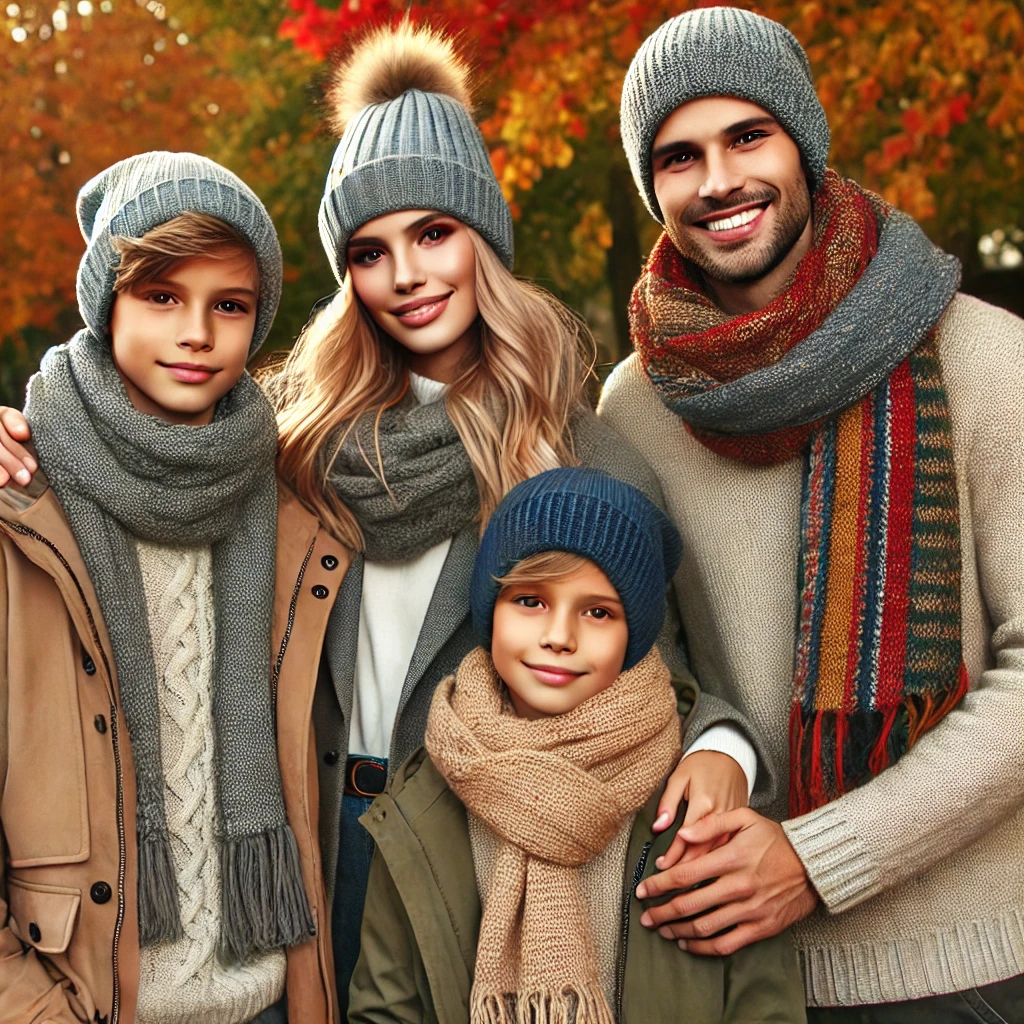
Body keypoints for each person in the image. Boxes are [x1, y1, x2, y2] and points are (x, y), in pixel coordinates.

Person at [267, 21, 769, 1012]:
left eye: (433, 234)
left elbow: (669, 676)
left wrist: (724, 750)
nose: (406, 276)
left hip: (469, 859)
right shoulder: (297, 451)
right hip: (314, 855)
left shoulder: (579, 452)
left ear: (483, 238)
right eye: (370, 251)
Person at [598, 7, 1024, 1021]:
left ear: (803, 142)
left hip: (974, 971)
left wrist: (818, 855)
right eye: (677, 156)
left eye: (748, 135)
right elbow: (650, 668)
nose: (717, 182)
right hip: (740, 980)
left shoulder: (982, 358)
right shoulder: (635, 407)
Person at [0, 152, 345, 1024]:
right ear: (104, 303)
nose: (197, 333)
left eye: (228, 305)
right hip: (86, 1000)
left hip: (270, 995)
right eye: (162, 296)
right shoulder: (21, 502)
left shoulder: (294, 503)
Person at [348, 467, 806, 1024]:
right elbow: (385, 1007)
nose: (559, 636)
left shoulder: (696, 802)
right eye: (530, 601)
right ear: (489, 613)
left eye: (598, 612)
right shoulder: (425, 796)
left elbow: (764, 1004)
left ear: (634, 636)